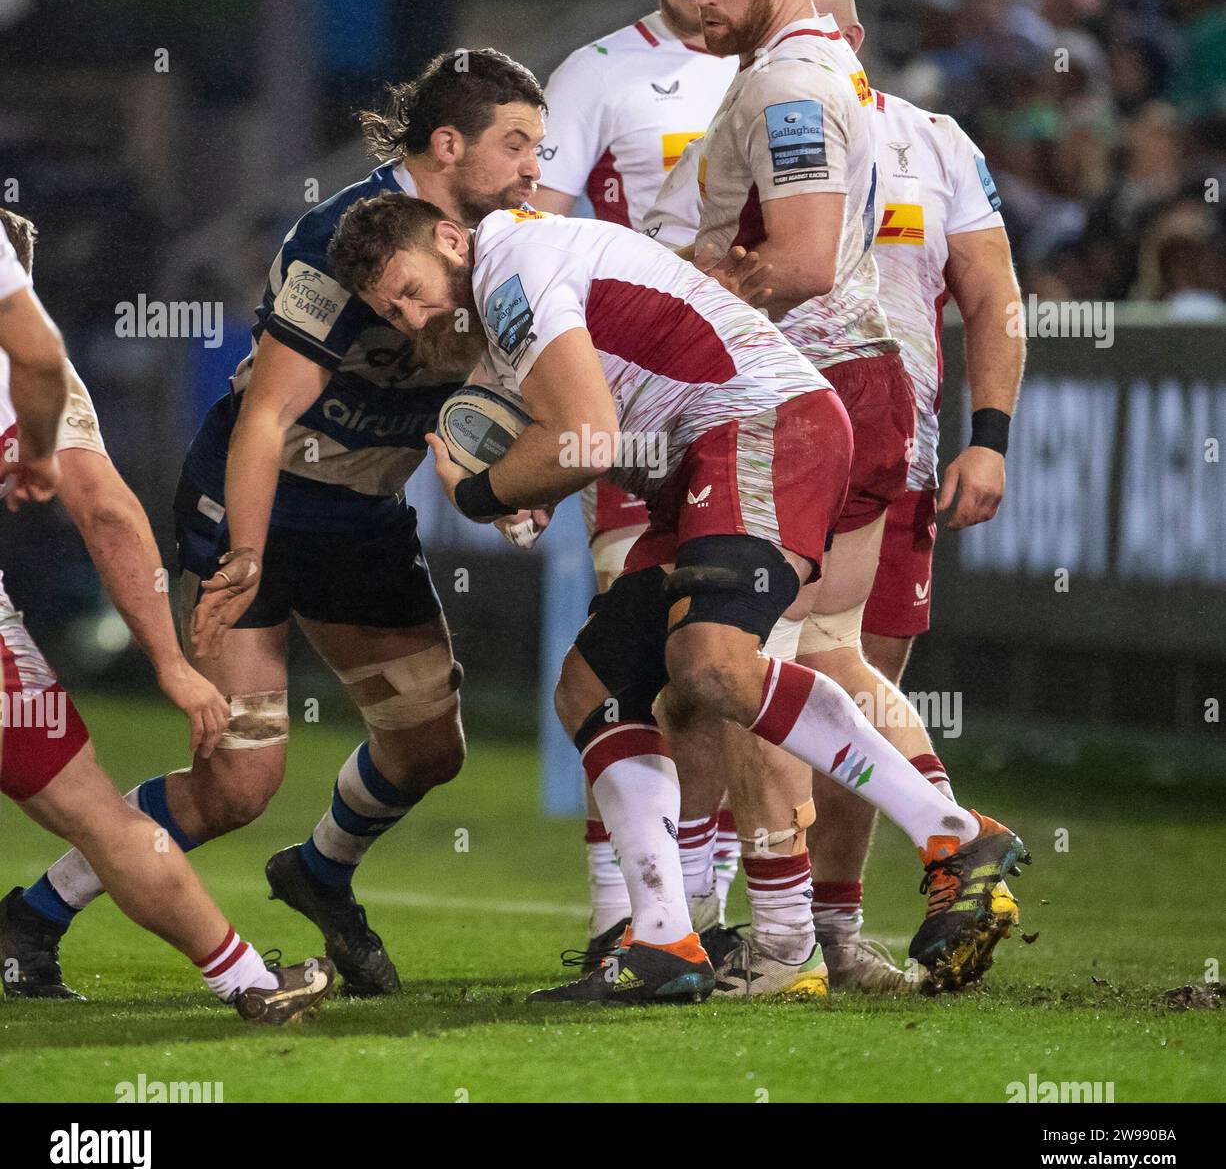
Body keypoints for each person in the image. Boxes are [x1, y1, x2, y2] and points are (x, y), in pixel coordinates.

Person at [326, 191, 1030, 1007]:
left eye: (409, 290)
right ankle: (663, 939)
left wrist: (479, 494)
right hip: (705, 458)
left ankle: (956, 835)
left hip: (757, 428)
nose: (414, 318)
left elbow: (582, 428)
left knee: (716, 669)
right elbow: (586, 429)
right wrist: (536, 474)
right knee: (591, 689)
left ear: (450, 239)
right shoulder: (516, 270)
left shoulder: (505, 264)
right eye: (395, 312)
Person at [14, 50, 547, 1000]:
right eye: (516, 146)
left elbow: (503, 384)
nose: (533, 168)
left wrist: (515, 482)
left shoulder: (506, 242)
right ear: (448, 142)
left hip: (364, 515)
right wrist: (246, 556)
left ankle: (322, 871)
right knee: (240, 783)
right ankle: (31, 918)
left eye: (537, 149)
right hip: (256, 498)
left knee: (430, 748)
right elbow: (265, 419)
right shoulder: (347, 236)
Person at [642, 0, 1025, 993]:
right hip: (875, 422)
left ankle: (811, 923)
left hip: (803, 422)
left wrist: (985, 433)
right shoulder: (888, 128)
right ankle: (841, 921)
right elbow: (989, 297)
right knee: (823, 679)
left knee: (776, 673)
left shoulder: (869, 126)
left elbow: (991, 295)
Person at [0, 210, 332, 1024]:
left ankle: (32, 927)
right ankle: (250, 981)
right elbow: (106, 512)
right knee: (100, 814)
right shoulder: (22, 357)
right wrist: (172, 666)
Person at [531, 0, 740, 957]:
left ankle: (711, 913)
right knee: (639, 658)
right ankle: (623, 916)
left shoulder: (787, 68)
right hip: (639, 412)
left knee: (742, 662)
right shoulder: (597, 74)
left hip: (760, 402)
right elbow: (530, 247)